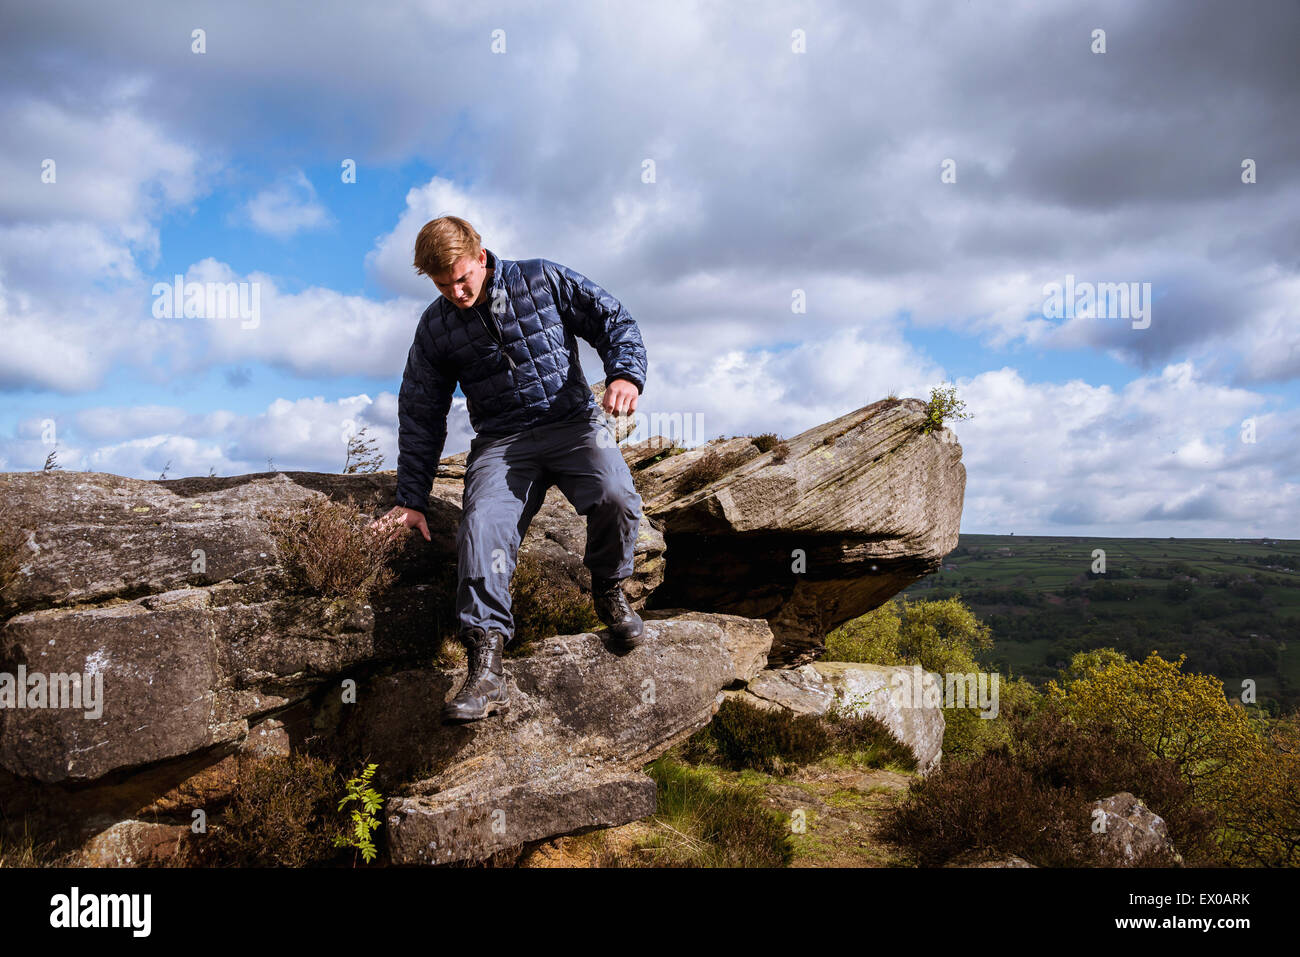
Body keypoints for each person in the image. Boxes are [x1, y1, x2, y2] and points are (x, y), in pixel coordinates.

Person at [372, 215, 648, 723]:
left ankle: (608, 591)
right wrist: (411, 499)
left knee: (616, 495)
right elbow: (420, 411)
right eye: (441, 285)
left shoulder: (542, 278)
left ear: (480, 256)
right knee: (480, 528)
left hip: (573, 424)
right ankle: (486, 664)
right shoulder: (435, 327)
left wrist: (625, 373)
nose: (455, 292)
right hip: (503, 443)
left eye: (461, 278)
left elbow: (615, 321)